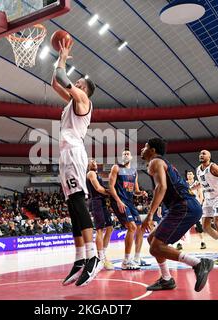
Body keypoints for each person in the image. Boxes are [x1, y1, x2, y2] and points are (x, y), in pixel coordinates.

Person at [52, 37, 101, 287]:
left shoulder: (83, 99)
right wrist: (59, 63)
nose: (77, 81)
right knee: (72, 204)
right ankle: (80, 258)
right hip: (65, 153)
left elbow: (62, 76)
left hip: (73, 152)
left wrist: (62, 57)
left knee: (79, 201)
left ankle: (93, 257)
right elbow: (54, 82)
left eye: (80, 82)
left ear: (85, 89)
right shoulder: (72, 102)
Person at [141, 138, 214, 292]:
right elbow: (161, 189)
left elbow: (161, 187)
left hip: (184, 206)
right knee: (152, 240)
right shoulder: (160, 163)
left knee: (156, 247)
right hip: (182, 206)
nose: (142, 149)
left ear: (153, 150)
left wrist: (149, 215)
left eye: (145, 146)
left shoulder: (155, 162)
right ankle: (166, 279)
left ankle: (199, 263)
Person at [109, 149, 149, 270]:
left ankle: (136, 258)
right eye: (123, 154)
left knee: (140, 228)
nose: (125, 155)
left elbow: (135, 191)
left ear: (131, 157)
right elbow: (111, 187)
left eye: (127, 154)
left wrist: (141, 193)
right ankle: (126, 261)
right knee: (131, 227)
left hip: (129, 202)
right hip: (119, 201)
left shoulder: (133, 172)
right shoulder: (116, 168)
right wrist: (118, 201)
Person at [196, 150, 218, 264]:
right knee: (205, 227)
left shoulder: (214, 167)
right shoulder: (198, 169)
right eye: (200, 154)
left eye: (204, 153)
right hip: (208, 199)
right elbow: (200, 184)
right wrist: (189, 190)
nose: (201, 155)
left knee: (217, 223)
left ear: (209, 157)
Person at [86, 159, 114, 270]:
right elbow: (98, 188)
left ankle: (103, 254)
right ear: (87, 165)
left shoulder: (96, 173)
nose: (94, 162)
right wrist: (111, 192)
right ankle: (101, 258)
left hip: (102, 202)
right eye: (91, 161)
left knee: (110, 228)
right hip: (96, 202)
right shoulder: (91, 173)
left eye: (95, 161)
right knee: (99, 230)